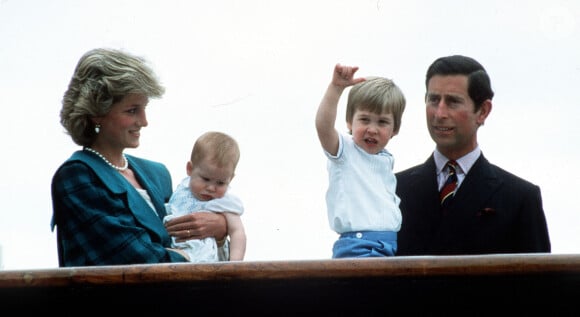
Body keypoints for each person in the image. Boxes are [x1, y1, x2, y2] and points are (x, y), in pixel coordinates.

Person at [51, 48, 227, 266]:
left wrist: (220, 229)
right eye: (132, 110)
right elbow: (136, 259)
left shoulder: (157, 174)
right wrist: (191, 257)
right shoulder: (77, 175)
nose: (144, 121)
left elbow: (191, 244)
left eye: (144, 109)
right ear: (97, 113)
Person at [395, 54, 551, 255]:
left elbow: (542, 284)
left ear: (483, 111)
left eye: (453, 102)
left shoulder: (519, 198)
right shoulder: (392, 190)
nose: (439, 113)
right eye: (433, 100)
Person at [315, 63, 406, 258]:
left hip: (389, 245)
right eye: (365, 120)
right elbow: (323, 127)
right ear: (349, 121)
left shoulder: (385, 159)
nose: (372, 129)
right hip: (359, 245)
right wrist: (336, 89)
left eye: (382, 122)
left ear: (395, 129)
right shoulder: (345, 151)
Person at [164, 131, 246, 262]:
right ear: (190, 169)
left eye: (220, 182)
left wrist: (235, 264)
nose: (211, 188)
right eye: (205, 179)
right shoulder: (184, 188)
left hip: (201, 255)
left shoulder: (223, 201)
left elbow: (237, 232)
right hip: (172, 243)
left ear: (230, 179)